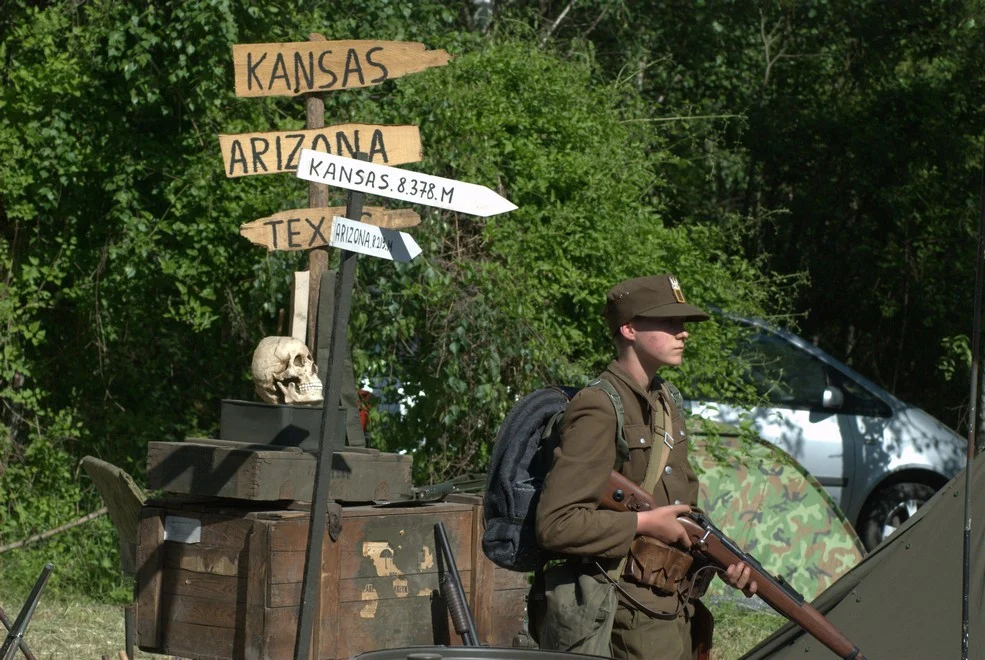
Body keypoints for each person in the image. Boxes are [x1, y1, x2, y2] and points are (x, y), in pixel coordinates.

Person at [534, 274, 757, 660]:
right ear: (630, 328)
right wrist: (643, 524)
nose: (683, 333)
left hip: (670, 607)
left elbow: (685, 511)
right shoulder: (599, 407)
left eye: (683, 324)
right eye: (670, 322)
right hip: (621, 613)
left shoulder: (667, 402)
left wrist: (722, 563)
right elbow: (556, 524)